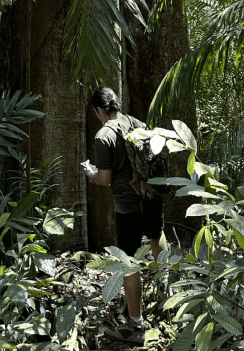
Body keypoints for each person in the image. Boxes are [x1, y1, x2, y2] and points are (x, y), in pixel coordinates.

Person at [83, 86, 164, 346]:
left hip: (128, 204)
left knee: (129, 262)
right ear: (116, 104)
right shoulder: (136, 122)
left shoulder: (103, 135)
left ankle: (136, 326)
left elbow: (104, 178)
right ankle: (169, 296)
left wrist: (90, 173)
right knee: (156, 236)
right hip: (152, 195)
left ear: (98, 110)